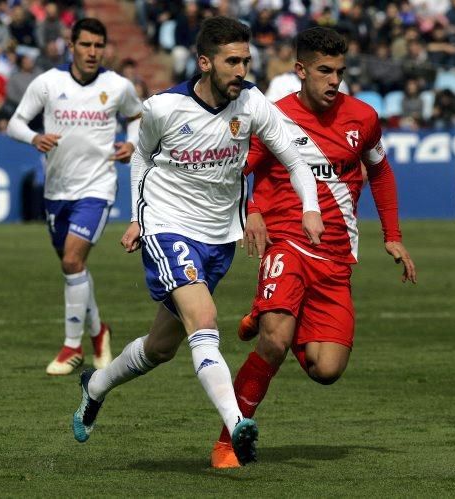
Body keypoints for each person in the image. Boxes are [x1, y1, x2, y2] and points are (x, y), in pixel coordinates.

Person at [71, 16, 324, 466]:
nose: (241, 69)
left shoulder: (251, 103)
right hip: (168, 227)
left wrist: (310, 208)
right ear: (205, 63)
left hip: (219, 238)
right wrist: (138, 218)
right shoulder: (162, 108)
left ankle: (96, 386)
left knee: (161, 347)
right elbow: (142, 159)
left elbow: (294, 158)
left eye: (246, 60)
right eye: (232, 61)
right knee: (205, 319)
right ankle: (236, 423)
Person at [208, 27, 417, 469]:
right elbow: (239, 167)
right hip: (287, 242)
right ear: (300, 70)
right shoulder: (273, 116)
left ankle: (267, 311)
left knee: (327, 369)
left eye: (339, 71)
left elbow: (379, 173)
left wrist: (392, 236)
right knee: (274, 343)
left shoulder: (363, 118)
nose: (333, 80)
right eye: (324, 71)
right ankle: (229, 439)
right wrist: (254, 211)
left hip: (336, 259)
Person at [6, 18, 143, 375]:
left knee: (71, 261)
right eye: (85, 45)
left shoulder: (117, 86)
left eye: (98, 45)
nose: (92, 52)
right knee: (74, 268)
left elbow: (137, 116)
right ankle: (100, 332)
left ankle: (71, 347)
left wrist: (132, 142)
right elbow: (15, 123)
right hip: (57, 191)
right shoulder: (48, 83)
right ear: (71, 46)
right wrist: (34, 138)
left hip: (97, 188)